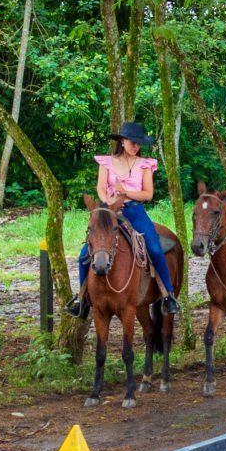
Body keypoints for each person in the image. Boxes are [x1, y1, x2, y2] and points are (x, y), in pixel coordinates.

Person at [69, 120, 177, 316]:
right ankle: (82, 299)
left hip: (134, 211)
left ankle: (168, 295)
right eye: (132, 142)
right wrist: (109, 203)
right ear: (123, 141)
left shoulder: (145, 165)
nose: (136, 147)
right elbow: (101, 188)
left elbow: (147, 194)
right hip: (108, 212)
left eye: (138, 143)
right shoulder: (106, 162)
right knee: (84, 254)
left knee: (154, 248)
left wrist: (125, 192)